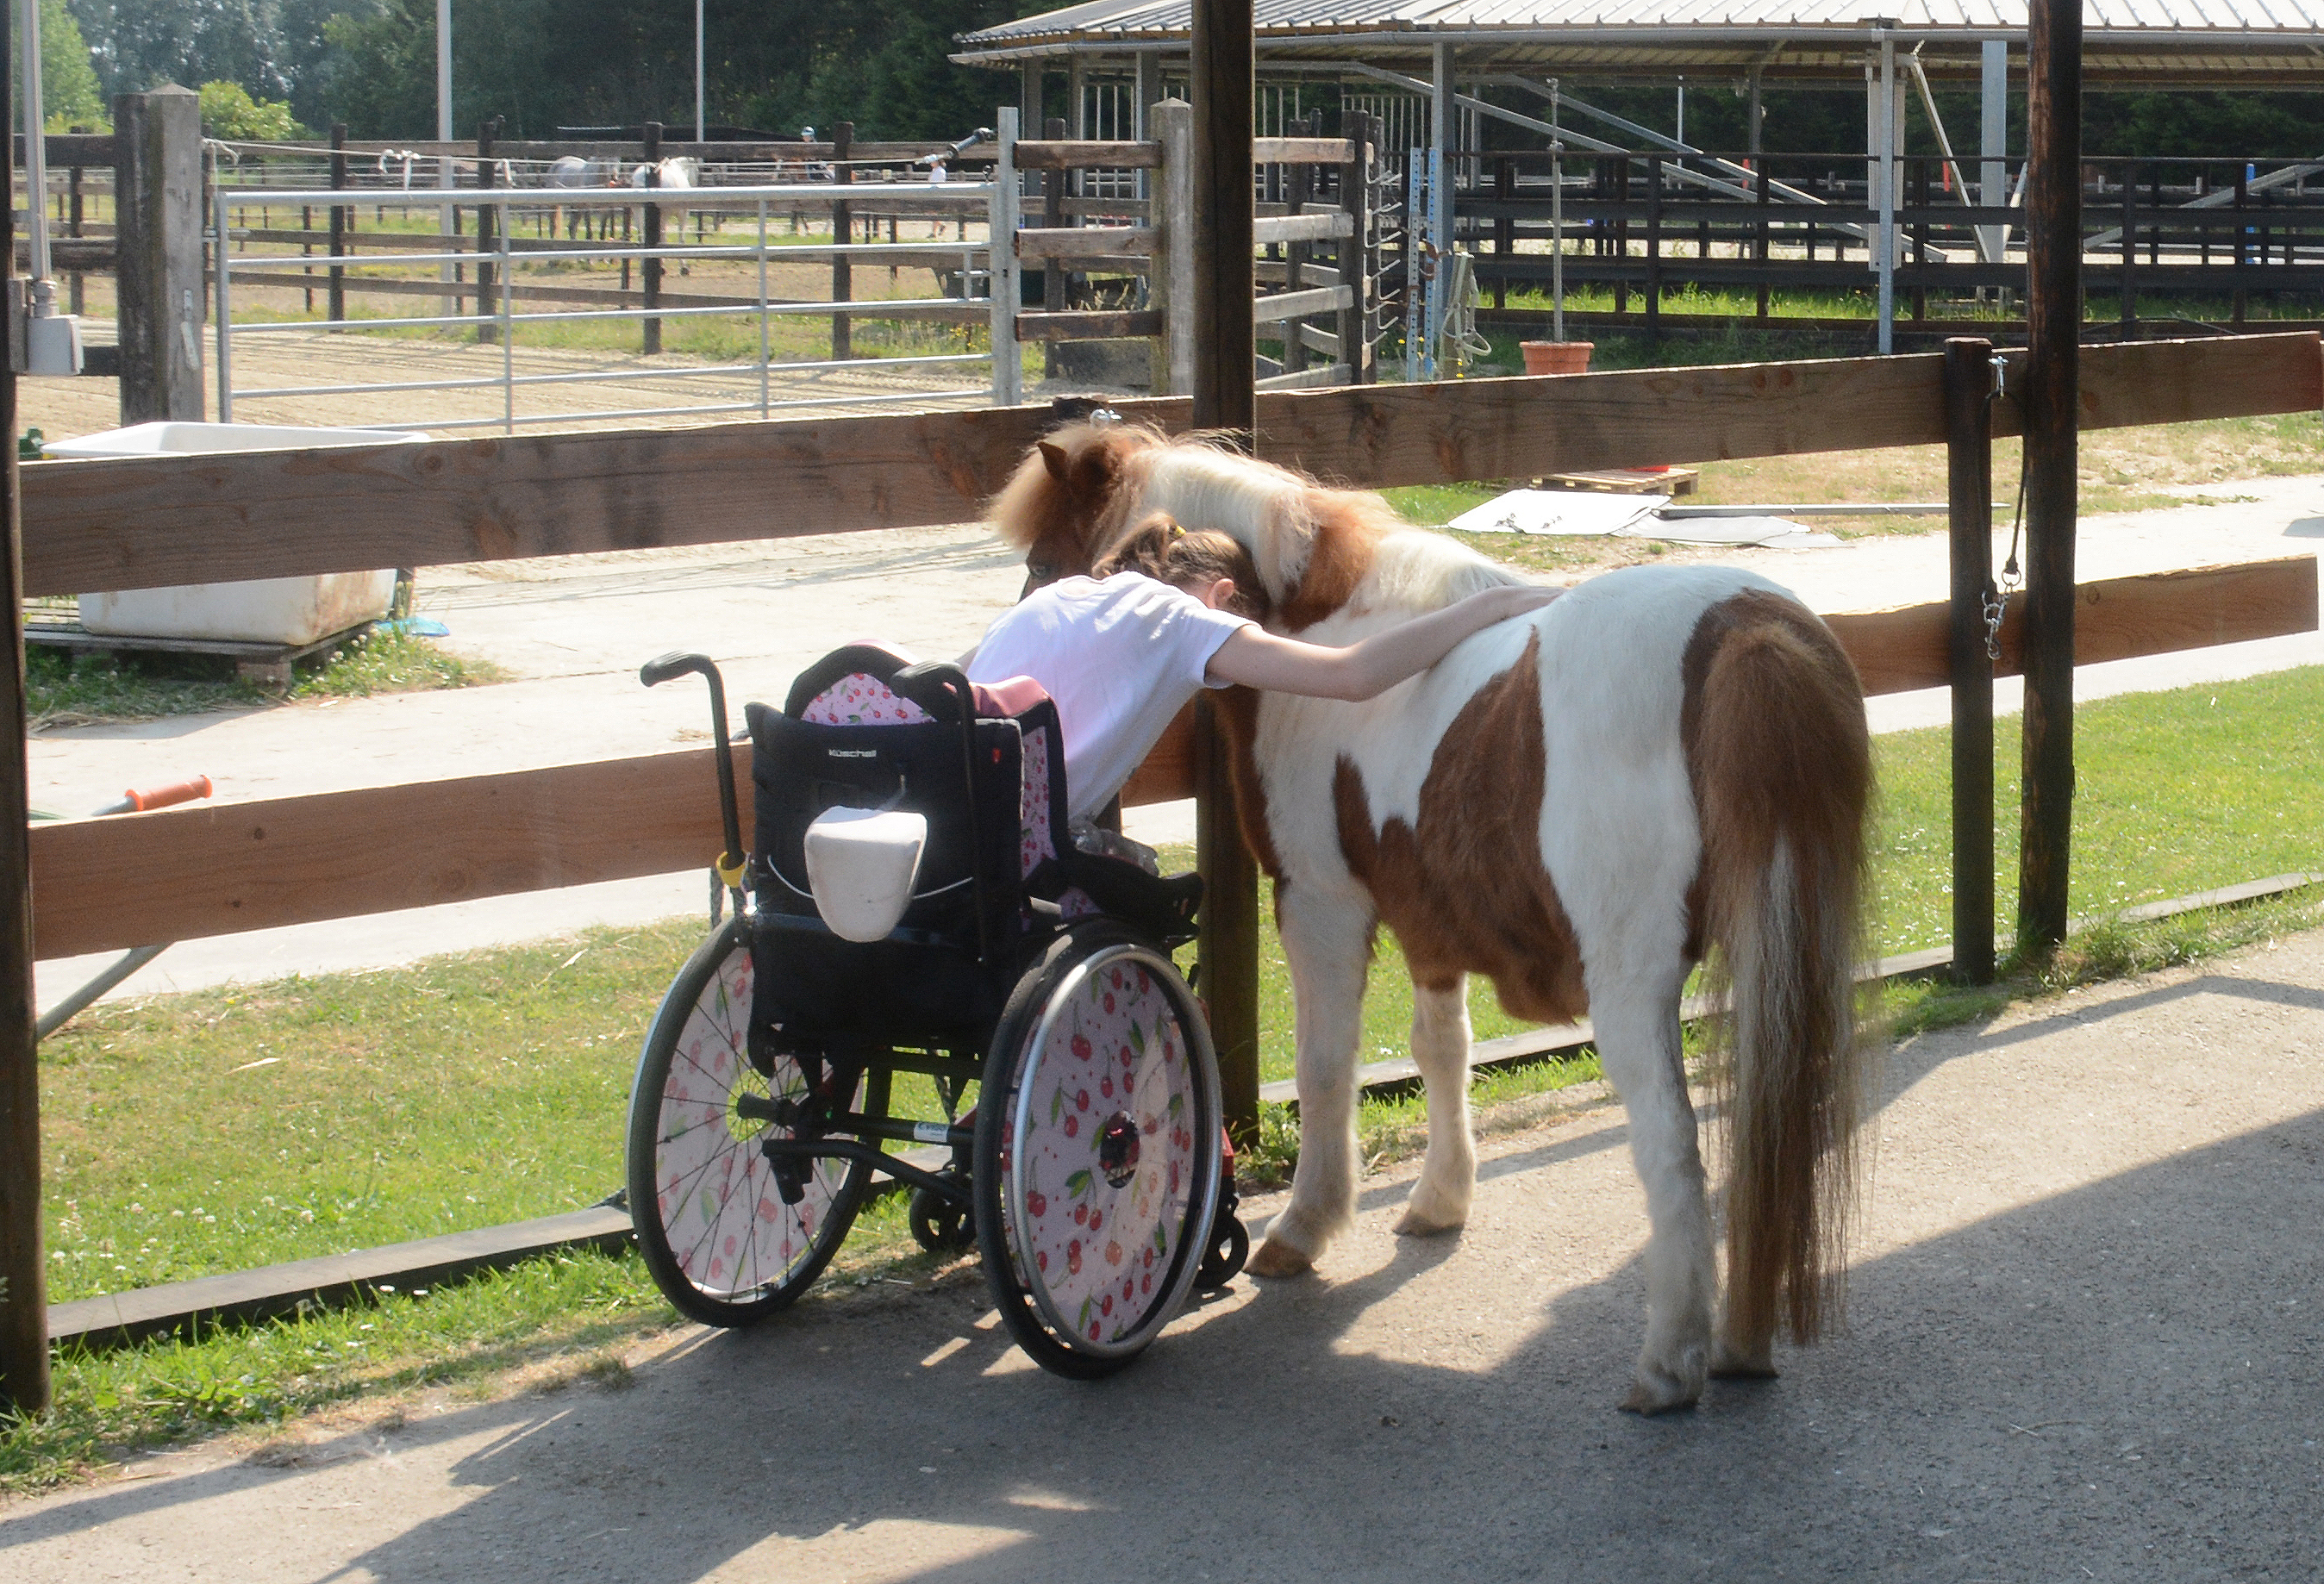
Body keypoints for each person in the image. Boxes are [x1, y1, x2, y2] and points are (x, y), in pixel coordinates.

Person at [964, 514, 1561, 826]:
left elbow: (955, 675)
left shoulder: (1057, 595)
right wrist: (1493, 605)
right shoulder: (1183, 620)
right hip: (1014, 835)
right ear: (1223, 596)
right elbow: (1352, 676)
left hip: (942, 799)